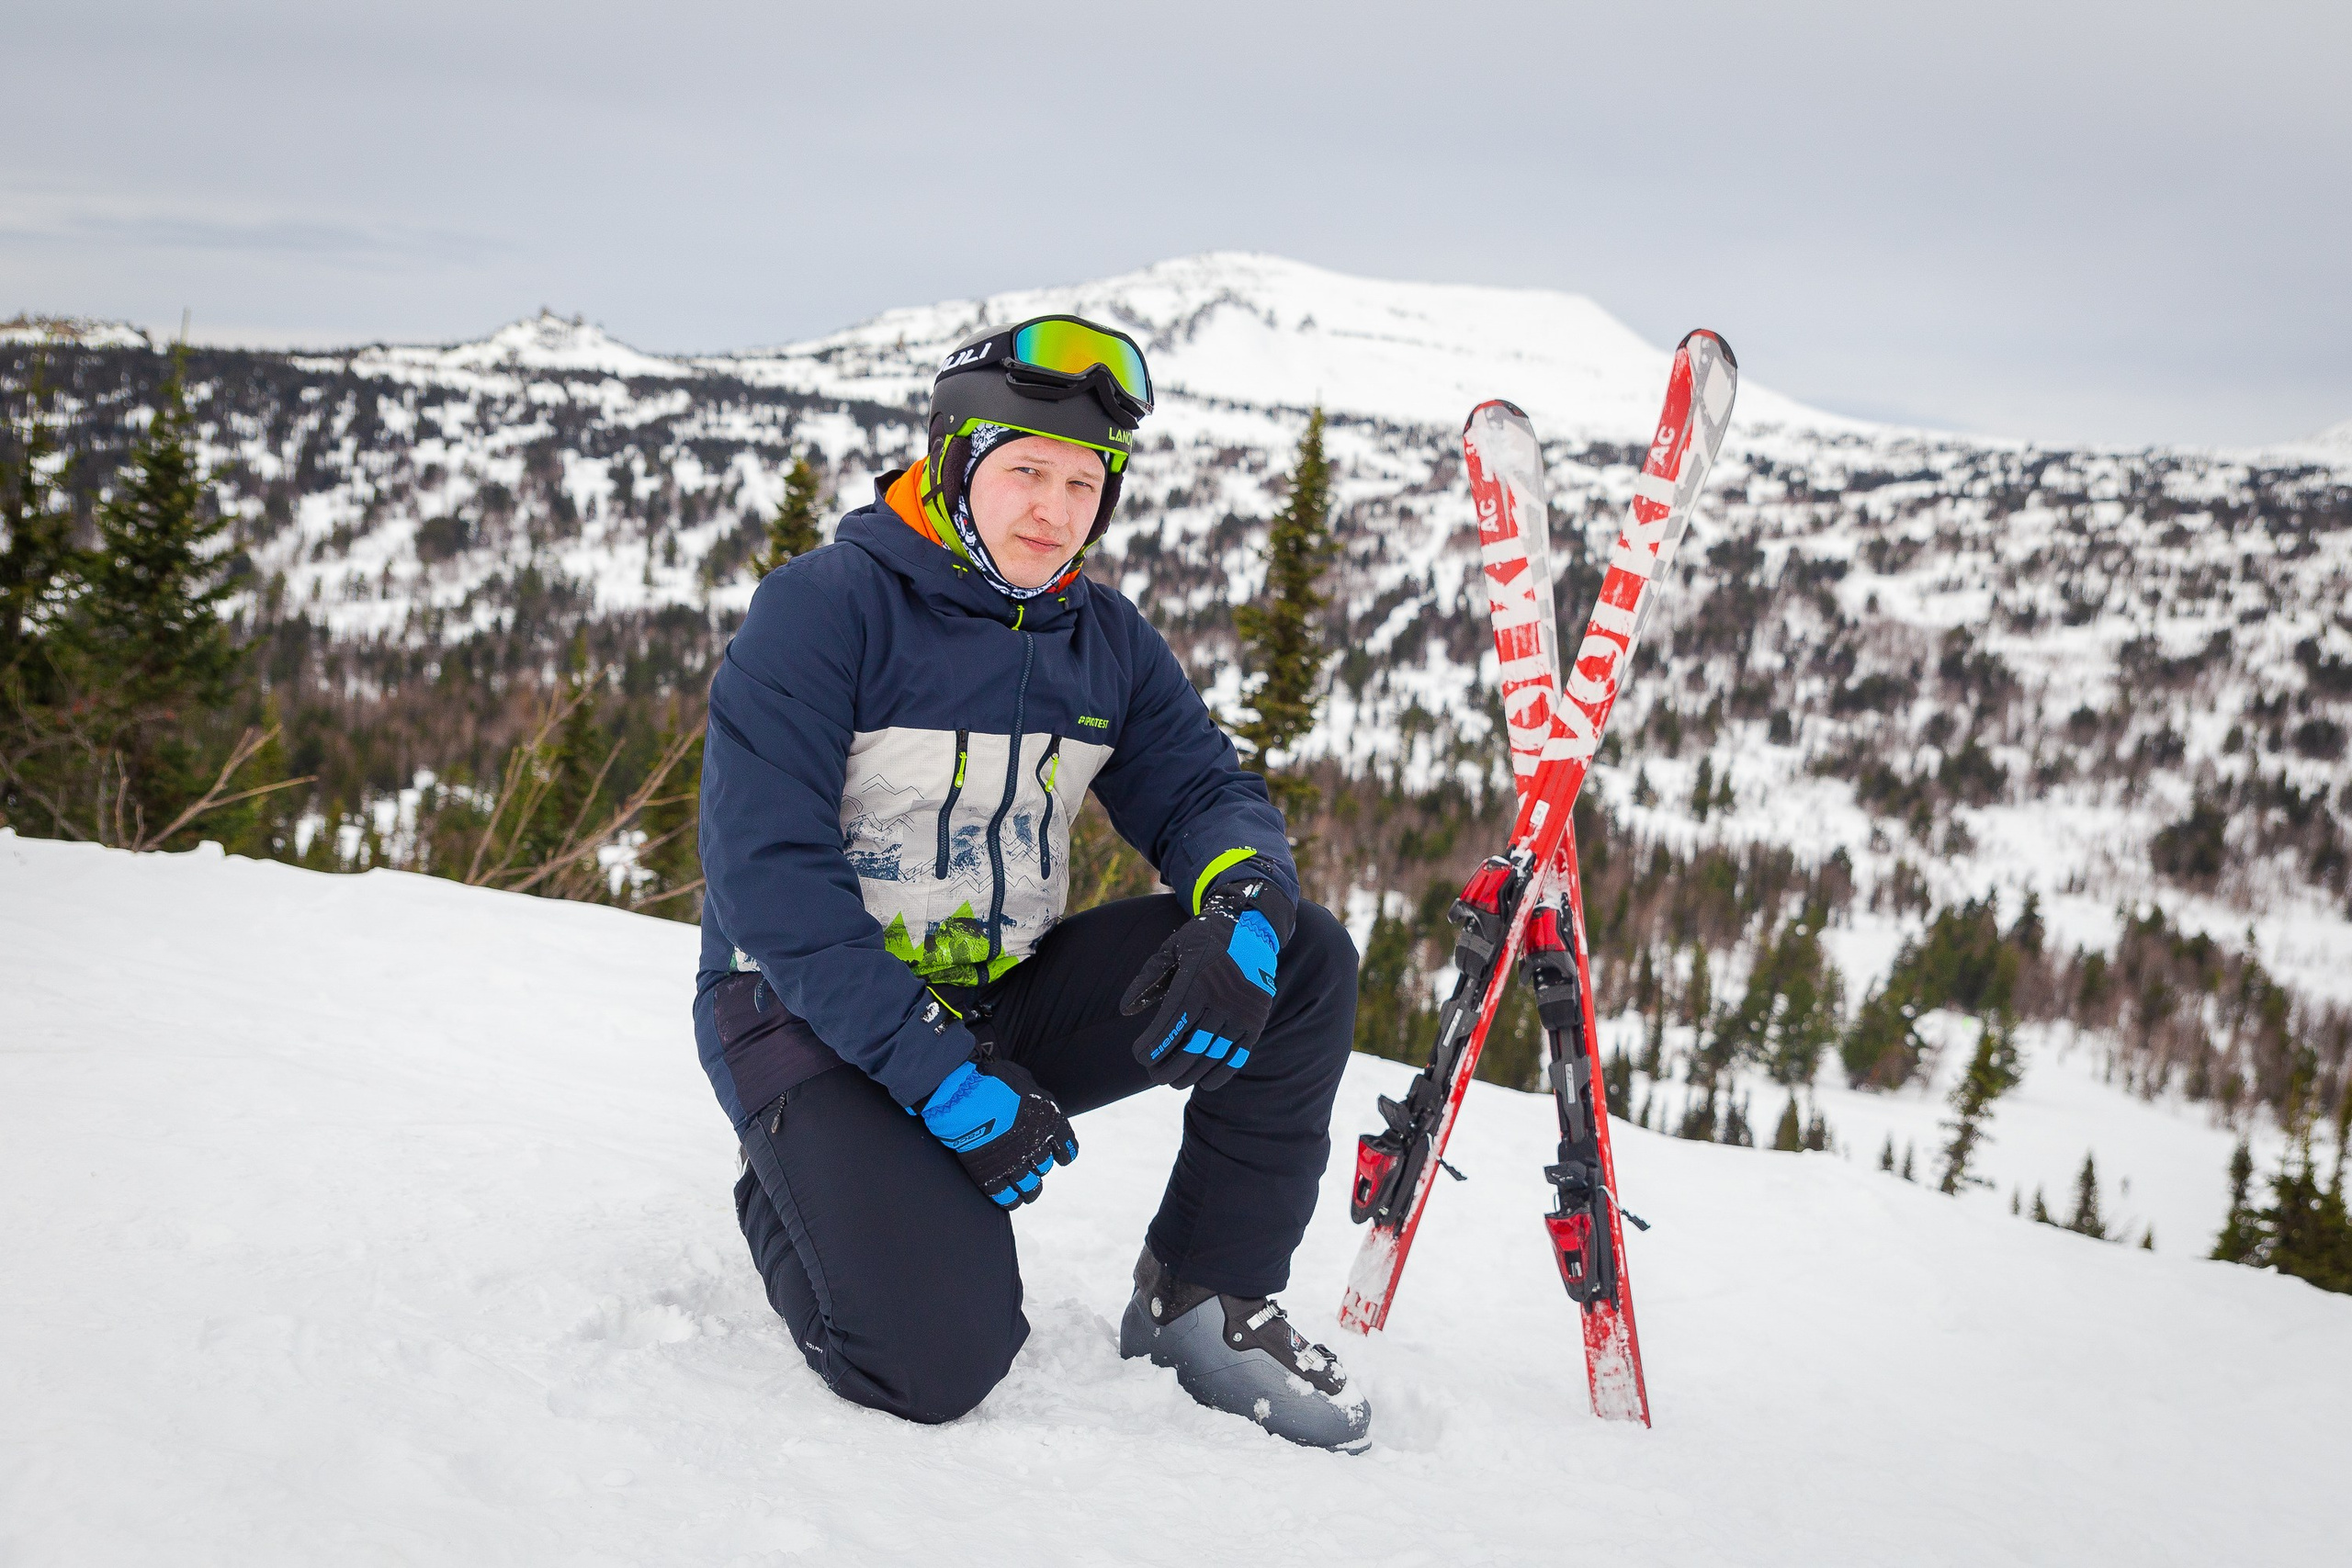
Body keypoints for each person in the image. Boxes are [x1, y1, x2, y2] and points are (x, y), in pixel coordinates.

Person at [692, 314, 1370, 1451]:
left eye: (1081, 482)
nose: (1053, 511)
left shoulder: (1099, 638)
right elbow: (770, 883)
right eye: (1022, 473)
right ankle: (799, 1182)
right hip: (809, 1022)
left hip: (998, 998)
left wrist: (1244, 908)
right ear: (954, 465)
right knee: (933, 1366)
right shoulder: (824, 611)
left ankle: (1199, 1298)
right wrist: (937, 1081)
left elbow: (1206, 792)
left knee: (1301, 959)